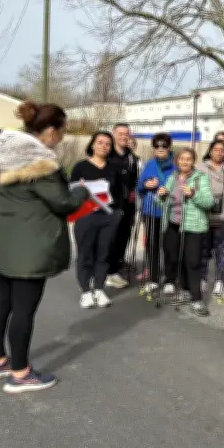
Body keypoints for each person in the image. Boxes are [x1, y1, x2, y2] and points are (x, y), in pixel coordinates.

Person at [0, 101, 89, 393]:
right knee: (23, 310)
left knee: (1, 302)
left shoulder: (3, 153)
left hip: (3, 242)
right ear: (50, 131)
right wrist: (82, 189)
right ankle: (21, 373)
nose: (63, 137)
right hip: (31, 248)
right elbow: (64, 203)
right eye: (62, 131)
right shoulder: (41, 165)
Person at [157, 148, 214, 316]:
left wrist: (193, 193)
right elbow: (162, 203)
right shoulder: (172, 178)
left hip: (193, 227)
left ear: (193, 161)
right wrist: (160, 195)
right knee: (176, 258)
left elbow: (209, 202)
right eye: (182, 159)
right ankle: (183, 290)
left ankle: (196, 299)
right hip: (173, 224)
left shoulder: (200, 178)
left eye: (189, 159)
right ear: (177, 161)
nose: (185, 162)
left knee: (193, 262)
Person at [70, 131, 124, 309]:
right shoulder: (80, 167)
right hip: (86, 215)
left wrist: (118, 213)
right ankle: (86, 291)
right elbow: (70, 191)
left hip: (109, 216)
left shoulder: (114, 168)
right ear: (92, 144)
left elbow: (120, 193)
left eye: (108, 143)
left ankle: (99, 288)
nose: (103, 146)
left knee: (104, 253)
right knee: (85, 253)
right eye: (100, 142)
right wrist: (82, 188)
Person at [137, 133, 175, 292]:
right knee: (152, 245)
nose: (160, 148)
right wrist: (146, 184)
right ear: (154, 147)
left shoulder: (176, 165)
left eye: (164, 145)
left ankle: (169, 279)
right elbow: (139, 187)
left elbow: (179, 187)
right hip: (150, 211)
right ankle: (153, 277)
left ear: (169, 147)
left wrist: (167, 190)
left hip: (168, 211)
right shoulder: (149, 164)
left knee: (169, 247)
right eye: (157, 145)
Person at [197, 139, 224, 296]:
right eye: (216, 149)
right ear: (210, 151)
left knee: (221, 251)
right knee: (203, 250)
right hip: (204, 216)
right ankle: (202, 278)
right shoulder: (199, 167)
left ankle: (219, 281)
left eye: (222, 150)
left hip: (222, 217)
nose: (219, 152)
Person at [106, 122, 139, 288]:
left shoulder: (131, 156)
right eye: (120, 133)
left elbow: (135, 177)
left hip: (128, 205)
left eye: (126, 133)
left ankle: (117, 265)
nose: (124, 136)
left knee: (124, 236)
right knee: (111, 238)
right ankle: (109, 272)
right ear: (113, 134)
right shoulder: (108, 154)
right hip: (111, 204)